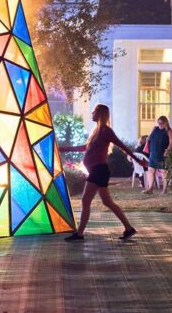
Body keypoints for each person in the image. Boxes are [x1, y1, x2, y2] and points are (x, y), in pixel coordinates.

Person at [61, 103, 146, 242]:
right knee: (107, 202)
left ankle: (80, 233)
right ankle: (128, 228)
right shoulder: (96, 131)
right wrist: (64, 149)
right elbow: (85, 147)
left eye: (94, 111)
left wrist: (139, 160)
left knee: (85, 200)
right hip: (97, 170)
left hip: (99, 170)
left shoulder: (106, 131)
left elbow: (123, 146)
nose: (92, 113)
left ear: (100, 114)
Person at [143, 116, 172, 194]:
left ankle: (164, 189)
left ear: (166, 123)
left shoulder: (169, 131)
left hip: (162, 153)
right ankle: (150, 189)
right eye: (159, 122)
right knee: (151, 170)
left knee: (164, 171)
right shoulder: (155, 129)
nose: (160, 124)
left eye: (162, 123)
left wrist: (167, 150)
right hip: (153, 153)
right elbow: (150, 137)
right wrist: (148, 139)